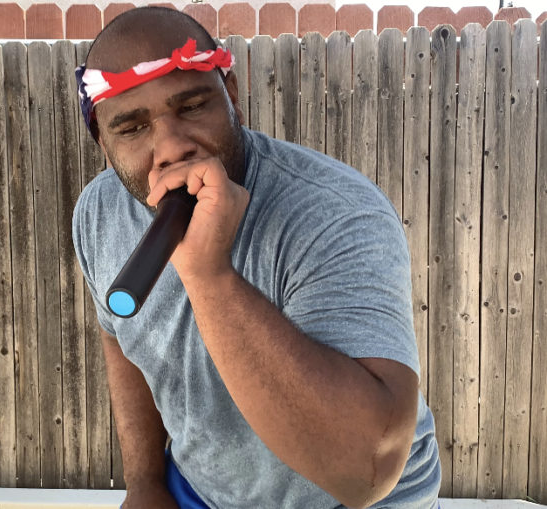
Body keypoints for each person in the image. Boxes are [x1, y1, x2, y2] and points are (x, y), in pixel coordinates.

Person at [72, 7, 441, 509]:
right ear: (103, 142)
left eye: (192, 106)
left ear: (232, 97)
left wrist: (208, 275)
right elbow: (118, 335)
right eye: (132, 128)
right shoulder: (99, 213)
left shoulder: (335, 213)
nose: (172, 148)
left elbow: (366, 472)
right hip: (204, 492)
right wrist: (145, 481)